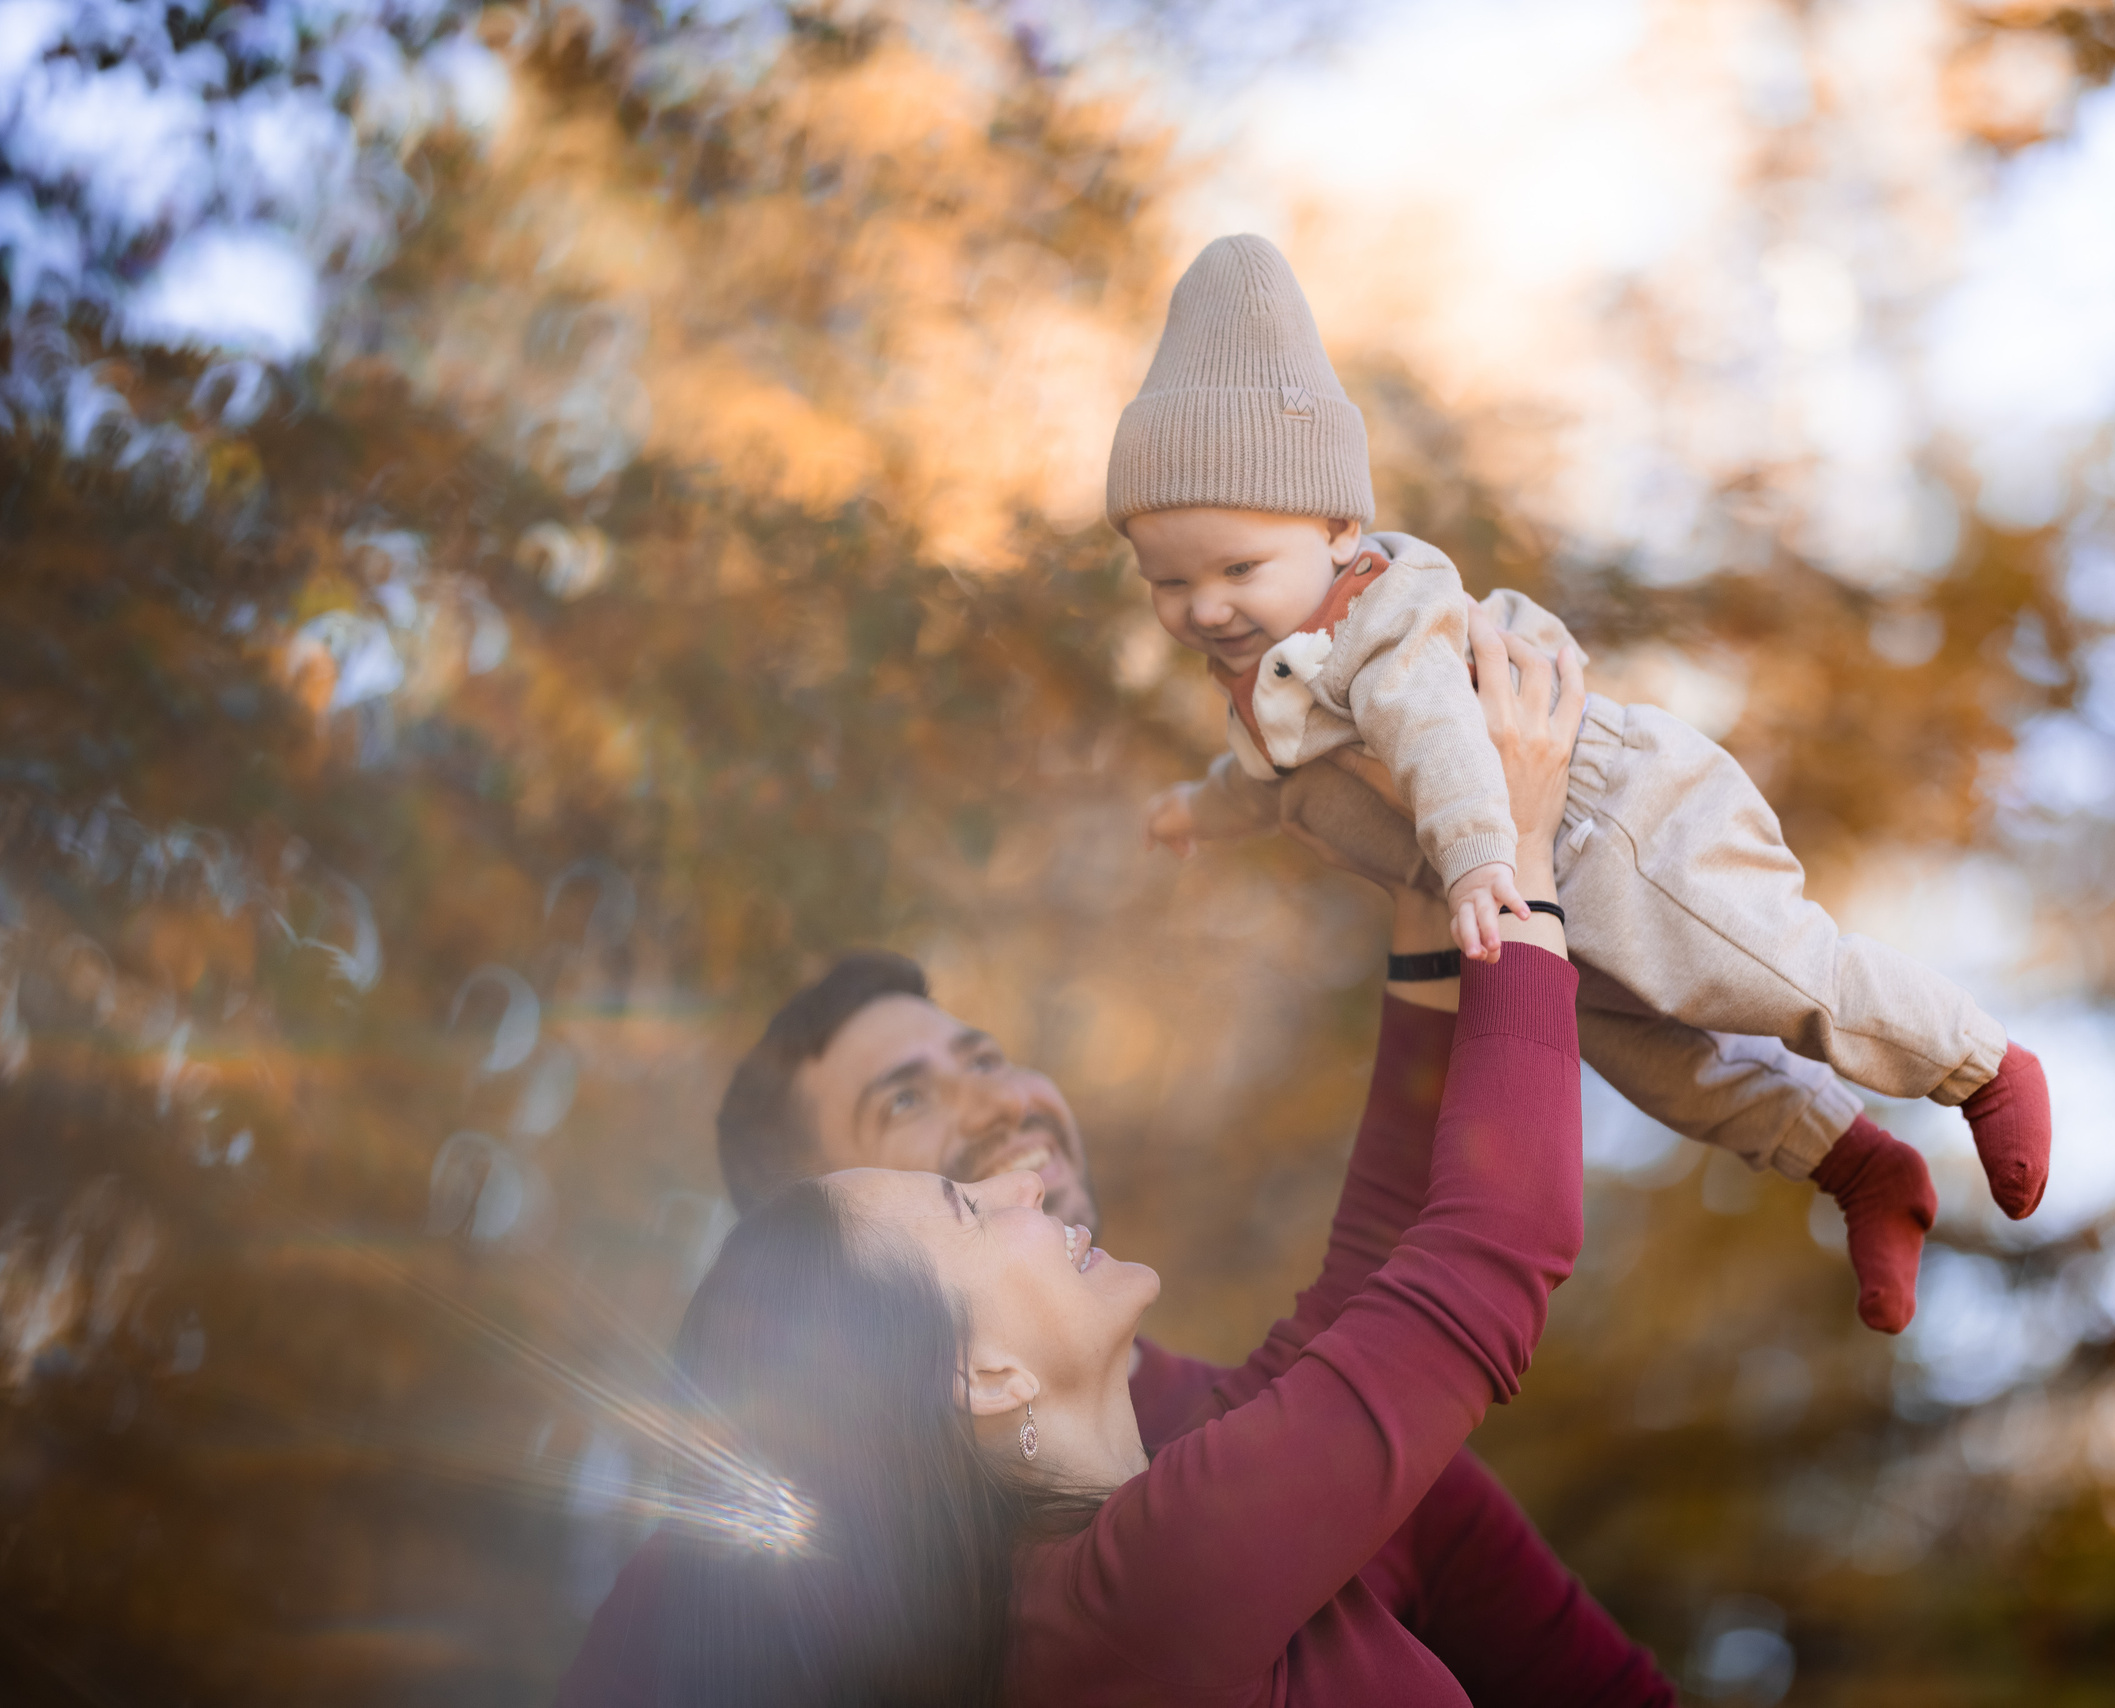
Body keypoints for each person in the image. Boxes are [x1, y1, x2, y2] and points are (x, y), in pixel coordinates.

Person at [559, 614, 1676, 1705]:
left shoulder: (1102, 1549)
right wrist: (1512, 860)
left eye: (983, 1054)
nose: (1014, 1148)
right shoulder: (733, 1605)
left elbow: (1376, 1279)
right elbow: (1485, 1255)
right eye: (921, 1135)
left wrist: (1437, 867)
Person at [1118, 233, 2053, 1332]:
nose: (1205, 608)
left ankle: (1979, 1063)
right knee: (1669, 1073)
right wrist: (1200, 808)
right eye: (1168, 580)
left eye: (1237, 570)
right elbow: (1270, 780)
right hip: (1528, 902)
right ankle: (1858, 1168)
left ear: (1337, 532)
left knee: (1771, 972)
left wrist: (1474, 857)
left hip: (1613, 831)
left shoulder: (1383, 625)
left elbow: (1438, 741)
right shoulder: (1266, 678)